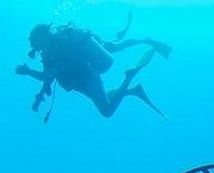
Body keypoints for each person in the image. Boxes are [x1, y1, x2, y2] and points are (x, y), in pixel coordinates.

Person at [15, 18, 170, 119]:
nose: (36, 47)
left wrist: (29, 72)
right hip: (81, 79)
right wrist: (30, 73)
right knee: (114, 46)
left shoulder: (60, 44)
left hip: (87, 75)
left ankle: (129, 78)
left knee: (107, 111)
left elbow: (50, 75)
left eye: (36, 42)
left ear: (44, 36)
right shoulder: (48, 53)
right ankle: (133, 88)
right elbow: (47, 76)